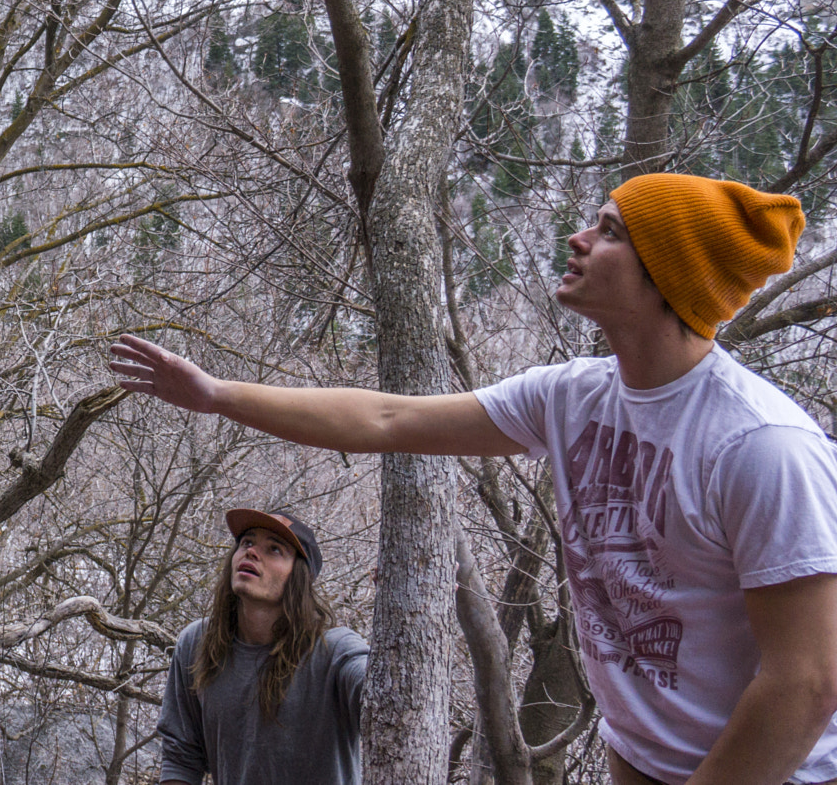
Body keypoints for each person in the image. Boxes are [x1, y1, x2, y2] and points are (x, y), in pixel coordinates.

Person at [110, 174, 837, 785]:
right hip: (643, 762)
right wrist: (216, 395)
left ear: (667, 273)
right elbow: (388, 419)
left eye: (611, 231)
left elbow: (806, 680)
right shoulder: (571, 396)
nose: (579, 238)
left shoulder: (761, 446)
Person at [158, 508, 367, 785]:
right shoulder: (197, 643)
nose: (252, 552)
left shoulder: (336, 651)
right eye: (247, 542)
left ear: (298, 577)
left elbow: (384, 700)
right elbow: (181, 758)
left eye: (274, 549)